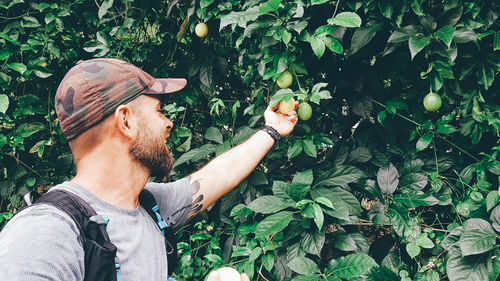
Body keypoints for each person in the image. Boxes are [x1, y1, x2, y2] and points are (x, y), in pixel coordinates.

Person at [0, 58, 298, 280]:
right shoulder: (46, 235)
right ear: (126, 121)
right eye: (158, 111)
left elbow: (218, 176)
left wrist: (271, 130)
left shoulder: (150, 205)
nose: (168, 123)